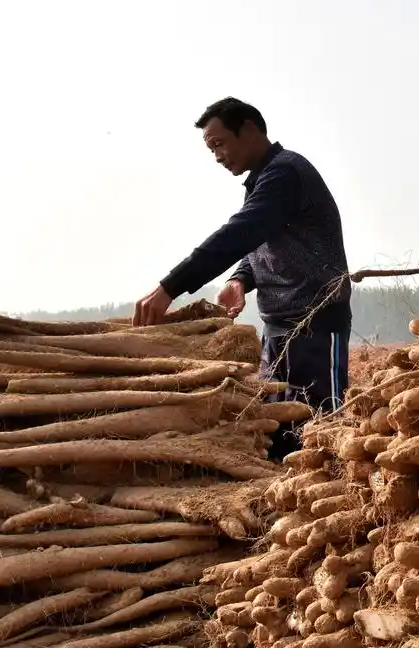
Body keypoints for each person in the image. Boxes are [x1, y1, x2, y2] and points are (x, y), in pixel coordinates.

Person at [133, 97, 352, 459]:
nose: (217, 156)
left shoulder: (285, 173)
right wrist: (240, 279)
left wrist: (169, 286)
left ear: (249, 129)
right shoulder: (263, 182)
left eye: (220, 143)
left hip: (314, 327)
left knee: (317, 439)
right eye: (211, 149)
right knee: (279, 439)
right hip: (279, 329)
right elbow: (256, 244)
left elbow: (240, 233)